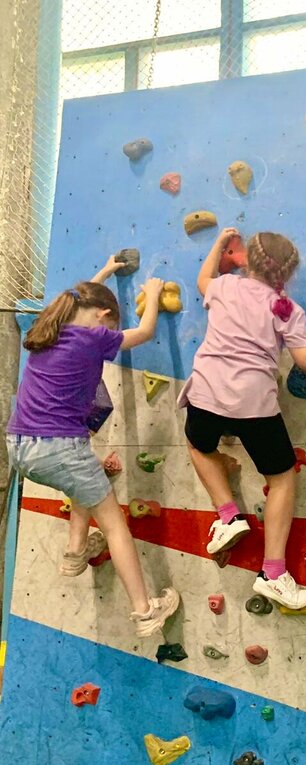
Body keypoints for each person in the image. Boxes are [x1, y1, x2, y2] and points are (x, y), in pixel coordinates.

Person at [179, 228, 306, 609]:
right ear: (288, 275)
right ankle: (273, 574)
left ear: (247, 259)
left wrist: (219, 245)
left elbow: (202, 279)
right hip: (253, 404)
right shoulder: (286, 309)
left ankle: (228, 514)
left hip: (207, 392)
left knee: (198, 446)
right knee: (281, 479)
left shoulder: (225, 286)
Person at [7, 256, 180, 637]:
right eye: (111, 323)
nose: (112, 331)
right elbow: (145, 331)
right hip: (59, 448)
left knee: (83, 476)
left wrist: (105, 271)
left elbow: (77, 296)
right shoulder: (94, 338)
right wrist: (152, 294)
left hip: (20, 446)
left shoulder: (46, 329)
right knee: (115, 525)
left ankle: (75, 551)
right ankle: (146, 611)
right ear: (103, 316)